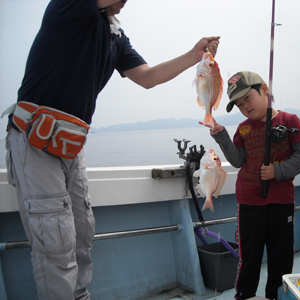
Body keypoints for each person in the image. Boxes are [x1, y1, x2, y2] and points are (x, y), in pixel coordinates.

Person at [3, 1, 219, 299]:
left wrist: (192, 56)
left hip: (71, 146)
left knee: (81, 236)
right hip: (34, 142)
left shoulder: (116, 36)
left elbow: (147, 77)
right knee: (55, 244)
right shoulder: (69, 7)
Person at [204, 71, 300, 300]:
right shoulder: (243, 129)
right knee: (249, 255)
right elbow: (237, 160)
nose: (245, 107)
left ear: (264, 89)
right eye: (240, 105)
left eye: (247, 99)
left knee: (280, 255)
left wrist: (277, 171)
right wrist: (221, 135)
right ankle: (244, 295)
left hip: (281, 202)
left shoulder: (290, 121)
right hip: (249, 203)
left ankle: (276, 296)